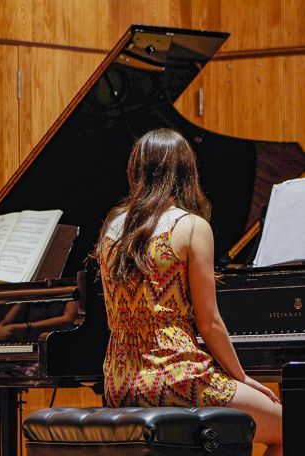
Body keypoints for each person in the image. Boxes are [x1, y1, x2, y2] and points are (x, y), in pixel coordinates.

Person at [94, 129, 282, 456]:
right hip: (175, 374)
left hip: (119, 380)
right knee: (291, 428)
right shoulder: (191, 226)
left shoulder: (113, 227)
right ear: (187, 170)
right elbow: (209, 322)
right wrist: (242, 378)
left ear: (135, 169)